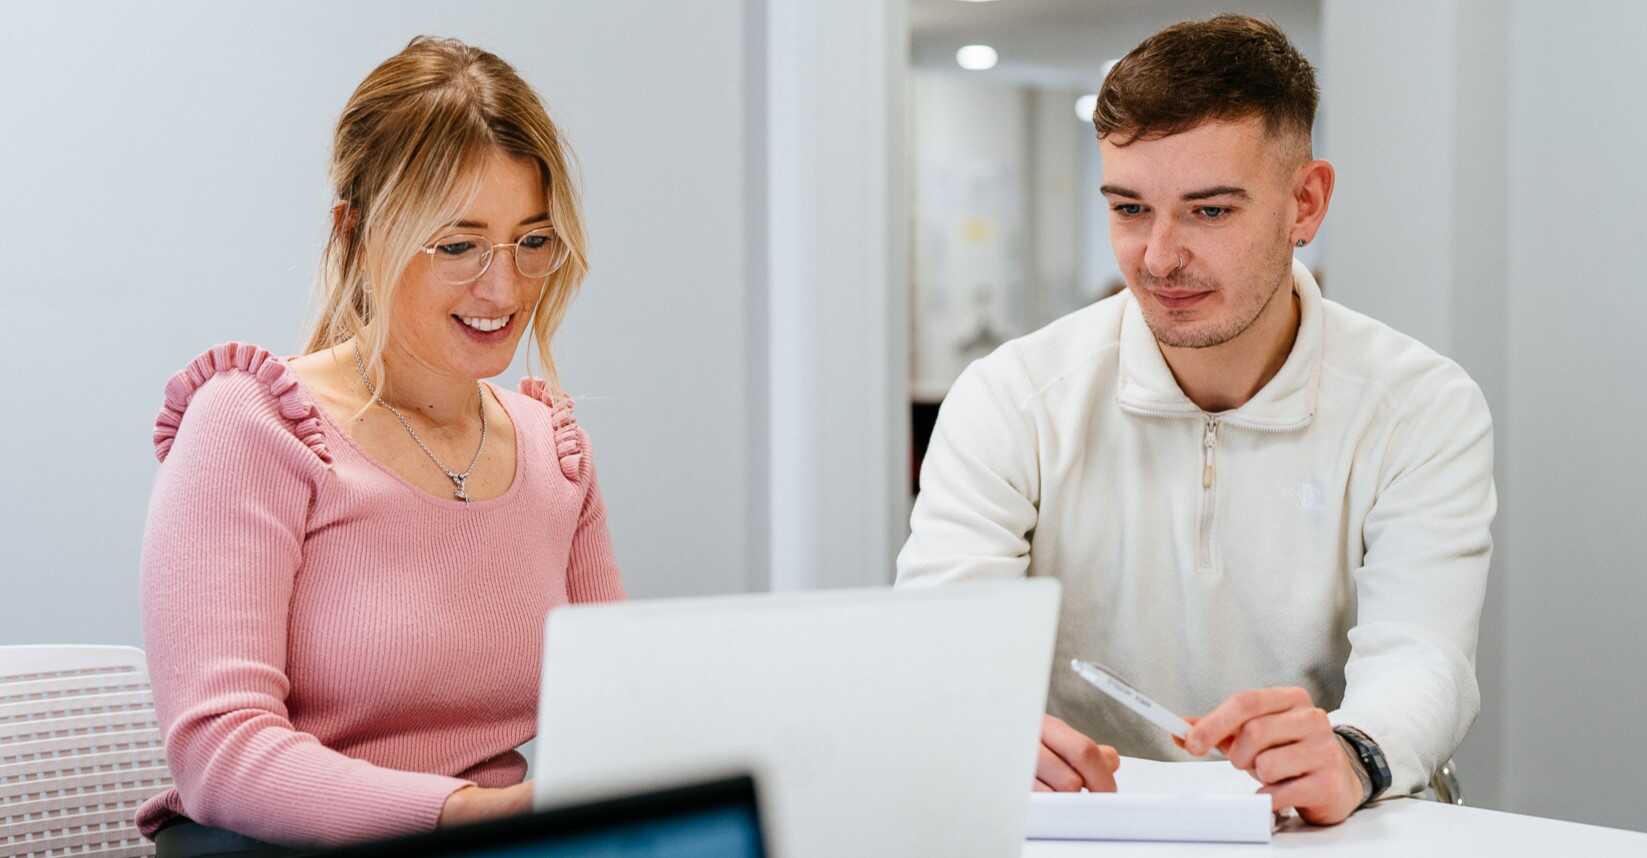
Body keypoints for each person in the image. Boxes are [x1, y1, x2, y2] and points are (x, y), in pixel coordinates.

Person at [897, 15, 1494, 826]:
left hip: (1332, 827)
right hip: (1083, 824)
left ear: (1305, 203)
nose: (1158, 256)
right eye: (1130, 208)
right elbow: (942, 640)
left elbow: (1424, 656)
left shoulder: (1420, 406)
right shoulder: (1011, 397)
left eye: (1209, 212)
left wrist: (1355, 750)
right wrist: (979, 723)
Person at [136, 37, 625, 854]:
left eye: (532, 242)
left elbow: (621, 711)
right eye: (458, 245)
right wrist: (468, 814)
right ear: (355, 234)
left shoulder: (553, 451)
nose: (503, 288)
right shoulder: (252, 427)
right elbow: (218, 755)